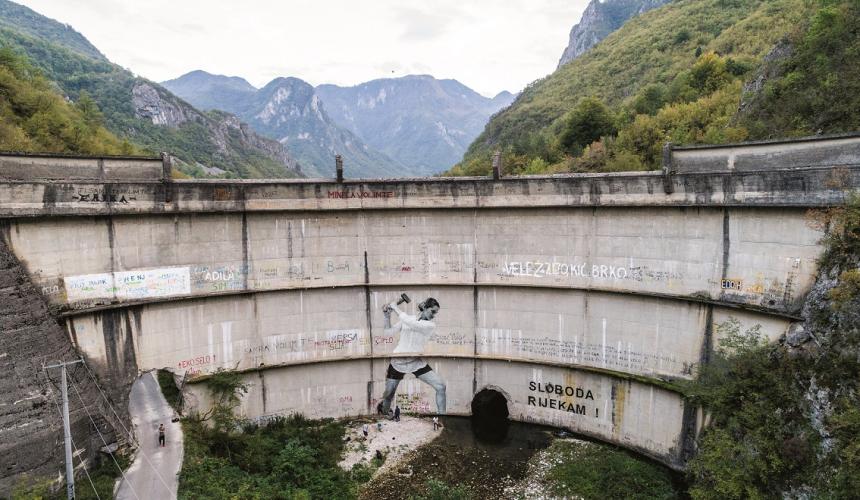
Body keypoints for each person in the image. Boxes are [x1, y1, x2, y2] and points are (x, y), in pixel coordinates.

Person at [376, 297, 447, 416]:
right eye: (433, 311)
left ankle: (443, 417)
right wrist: (387, 316)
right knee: (389, 395)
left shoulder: (430, 325)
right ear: (425, 308)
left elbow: (411, 323)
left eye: (436, 313)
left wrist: (394, 306)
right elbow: (388, 332)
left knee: (441, 386)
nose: (434, 315)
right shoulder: (407, 319)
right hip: (398, 362)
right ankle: (384, 413)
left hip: (415, 362)